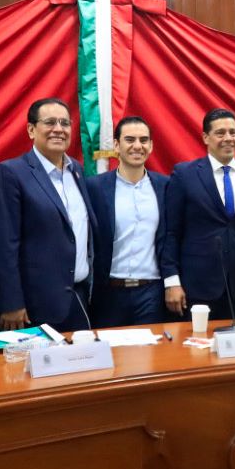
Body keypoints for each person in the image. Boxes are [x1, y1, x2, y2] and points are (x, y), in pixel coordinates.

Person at [0, 98, 97, 331]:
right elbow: (3, 245)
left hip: (78, 298)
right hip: (32, 307)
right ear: (31, 130)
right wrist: (11, 302)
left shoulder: (76, 170)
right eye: (50, 122)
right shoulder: (10, 173)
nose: (58, 129)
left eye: (64, 123)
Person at [161, 108, 235, 322]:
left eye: (233, 132)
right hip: (196, 288)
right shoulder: (185, 175)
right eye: (220, 133)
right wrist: (172, 281)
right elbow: (171, 232)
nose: (228, 138)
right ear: (206, 137)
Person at [85, 116, 169, 328]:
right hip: (108, 293)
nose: (137, 146)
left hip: (152, 294)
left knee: (152, 349)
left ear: (151, 146)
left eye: (143, 140)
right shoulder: (94, 187)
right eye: (130, 140)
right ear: (116, 145)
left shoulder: (166, 186)